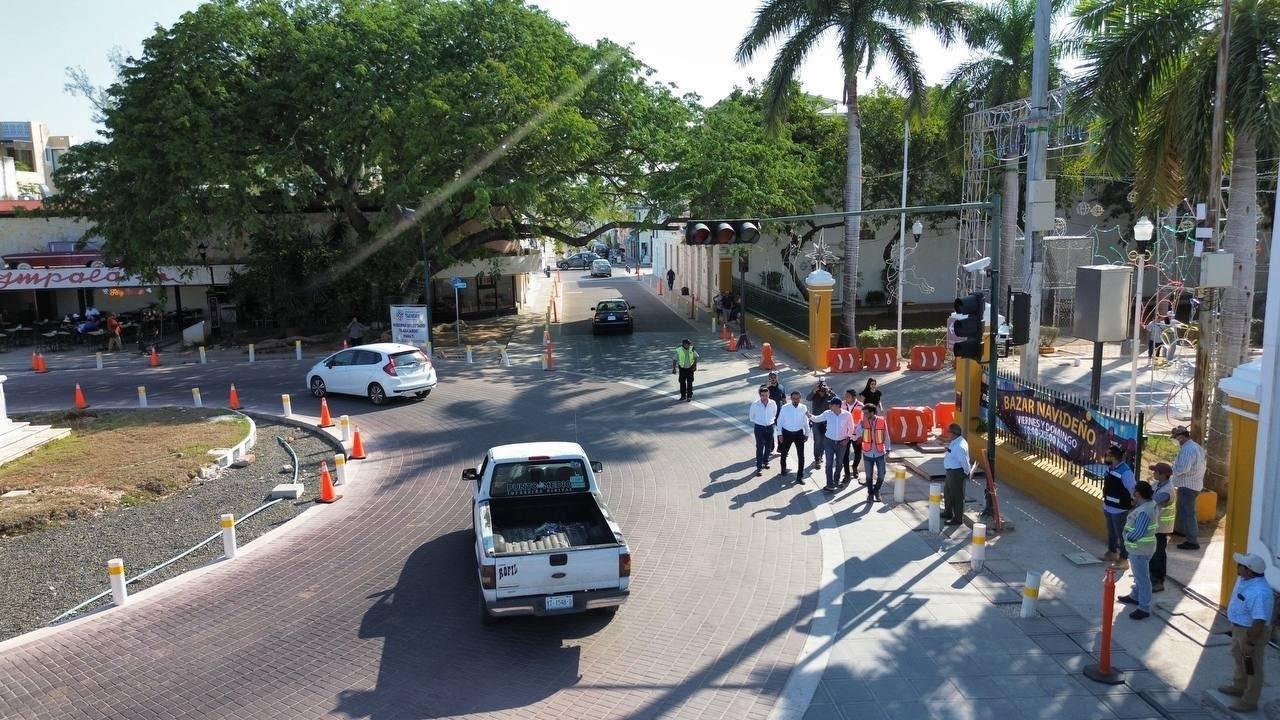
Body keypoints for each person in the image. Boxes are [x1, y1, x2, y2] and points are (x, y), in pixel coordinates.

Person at [1218, 552, 1274, 712]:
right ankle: (1238, 686)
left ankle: (1250, 701)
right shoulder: (1244, 579)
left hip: (1251, 632)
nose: (1237, 566)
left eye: (1241, 565)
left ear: (1249, 570)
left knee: (1252, 667)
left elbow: (1259, 621)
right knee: (1239, 658)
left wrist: (1250, 642)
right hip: (1239, 628)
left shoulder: (1260, 592)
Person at [1117, 481, 1157, 619]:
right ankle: (1135, 596)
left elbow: (1138, 532)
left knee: (1142, 579)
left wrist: (1126, 537)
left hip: (1139, 550)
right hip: (1143, 549)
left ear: (1138, 494)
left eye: (1134, 491)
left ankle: (1144, 608)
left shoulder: (1144, 511)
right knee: (1139, 576)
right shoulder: (1148, 505)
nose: (1132, 493)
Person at [1169, 426, 1206, 550]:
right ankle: (1180, 530)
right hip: (1192, 484)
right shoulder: (1195, 447)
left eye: (1175, 437)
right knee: (1181, 510)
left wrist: (1171, 468)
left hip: (1188, 485)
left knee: (1189, 513)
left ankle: (1192, 541)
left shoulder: (1188, 449)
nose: (1174, 440)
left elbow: (1183, 468)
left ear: (1181, 436)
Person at [1101, 445, 1136, 568]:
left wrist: (1133, 502)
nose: (1105, 457)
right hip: (1108, 506)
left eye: (1108, 456)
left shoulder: (1125, 472)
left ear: (1114, 457)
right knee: (1111, 533)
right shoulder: (1110, 468)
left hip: (1119, 509)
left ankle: (1123, 559)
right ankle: (1112, 552)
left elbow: (1132, 489)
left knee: (1121, 535)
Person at [814, 397, 852, 492]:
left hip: (842, 443)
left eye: (831, 404)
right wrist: (808, 415)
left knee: (839, 464)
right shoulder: (827, 413)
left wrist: (847, 439)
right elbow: (817, 419)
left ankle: (836, 481)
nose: (829, 405)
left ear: (838, 405)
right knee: (829, 464)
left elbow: (851, 428)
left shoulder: (847, 415)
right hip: (829, 442)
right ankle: (829, 484)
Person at [1148, 462, 1176, 593]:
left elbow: (1152, 501)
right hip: (1154, 526)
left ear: (1163, 475)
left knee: (1158, 555)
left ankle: (1158, 581)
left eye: (1156, 472)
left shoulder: (1167, 490)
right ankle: (1151, 578)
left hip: (1160, 529)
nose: (1153, 473)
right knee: (1151, 554)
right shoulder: (1157, 484)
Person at [858, 404, 892, 502]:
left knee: (882, 474)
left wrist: (888, 450)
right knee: (869, 475)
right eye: (863, 413)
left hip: (879, 452)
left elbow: (886, 436)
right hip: (867, 452)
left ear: (872, 412)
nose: (864, 415)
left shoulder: (881, 421)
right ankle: (870, 494)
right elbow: (857, 433)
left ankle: (876, 490)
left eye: (866, 413)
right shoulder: (863, 422)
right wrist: (861, 427)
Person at [777, 391, 812, 484]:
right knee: (784, 453)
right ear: (791, 398)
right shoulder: (785, 408)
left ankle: (800, 476)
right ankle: (783, 470)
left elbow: (806, 422)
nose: (796, 400)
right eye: (794, 398)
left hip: (799, 434)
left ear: (800, 398)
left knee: (801, 455)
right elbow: (779, 421)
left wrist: (807, 433)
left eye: (797, 398)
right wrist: (779, 434)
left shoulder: (803, 407)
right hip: (786, 433)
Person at [942, 423, 970, 526]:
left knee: (957, 496)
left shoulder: (959, 446)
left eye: (948, 432)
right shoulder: (955, 442)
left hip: (956, 473)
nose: (947, 434)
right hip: (951, 472)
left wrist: (967, 472)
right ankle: (948, 512)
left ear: (953, 433)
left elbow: (964, 462)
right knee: (948, 493)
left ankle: (958, 518)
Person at [749, 386, 778, 476]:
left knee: (769, 446)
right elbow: (751, 416)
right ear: (760, 395)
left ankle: (765, 462)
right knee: (760, 446)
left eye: (766, 395)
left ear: (769, 394)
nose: (764, 397)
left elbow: (774, 413)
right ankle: (759, 466)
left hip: (769, 427)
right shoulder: (755, 404)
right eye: (762, 395)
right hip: (759, 428)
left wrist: (770, 421)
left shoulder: (772, 403)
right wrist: (760, 422)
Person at [808, 379, 837, 471]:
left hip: (827, 421)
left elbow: (838, 401)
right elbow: (808, 398)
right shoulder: (814, 394)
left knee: (824, 441)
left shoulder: (829, 395)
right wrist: (814, 390)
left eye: (824, 387)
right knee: (817, 441)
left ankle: (820, 456)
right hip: (816, 421)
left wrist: (831, 392)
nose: (822, 390)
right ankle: (817, 459)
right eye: (820, 387)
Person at [841, 390, 863, 484]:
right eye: (845, 395)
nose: (846, 397)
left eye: (848, 396)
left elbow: (863, 422)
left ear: (854, 397)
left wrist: (861, 435)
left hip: (856, 434)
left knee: (858, 453)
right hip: (845, 434)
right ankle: (846, 474)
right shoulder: (842, 404)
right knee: (844, 454)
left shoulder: (861, 406)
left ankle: (854, 466)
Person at [765, 372, 785, 456]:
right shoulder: (766, 388)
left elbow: (783, 399)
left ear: (777, 378)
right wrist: (767, 387)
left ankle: (781, 449)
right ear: (769, 378)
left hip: (779, 412)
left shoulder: (781, 387)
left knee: (780, 430)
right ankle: (770, 448)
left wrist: (786, 409)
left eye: (774, 377)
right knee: (770, 431)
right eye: (771, 377)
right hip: (769, 413)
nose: (773, 379)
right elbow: (762, 398)